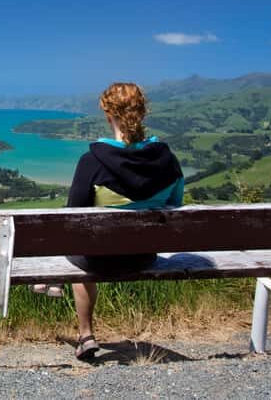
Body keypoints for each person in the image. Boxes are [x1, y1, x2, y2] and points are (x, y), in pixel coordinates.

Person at [33, 82, 184, 361]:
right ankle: (54, 284)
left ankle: (86, 334)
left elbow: (72, 218)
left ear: (107, 115)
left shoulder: (92, 161)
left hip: (98, 260)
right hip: (144, 257)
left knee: (75, 241)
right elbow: (175, 206)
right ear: (143, 113)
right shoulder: (168, 160)